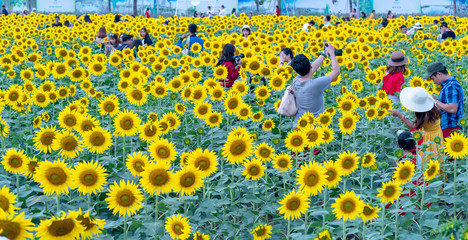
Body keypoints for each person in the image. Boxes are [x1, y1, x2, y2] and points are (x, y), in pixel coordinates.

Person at [290, 43, 340, 128]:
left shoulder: (296, 81)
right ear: (309, 66)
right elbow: (336, 72)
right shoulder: (315, 84)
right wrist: (332, 53)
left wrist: (324, 54)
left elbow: (311, 69)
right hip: (313, 127)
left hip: (299, 124)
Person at [390, 87, 444, 163]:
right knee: (436, 158)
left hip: (429, 139)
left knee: (427, 161)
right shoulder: (432, 105)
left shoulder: (426, 115)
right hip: (437, 134)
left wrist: (400, 116)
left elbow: (415, 127)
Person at [425, 62, 464, 139]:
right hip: (450, 127)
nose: (434, 82)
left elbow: (452, 109)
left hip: (450, 128)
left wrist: (435, 100)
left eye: (433, 78)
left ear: (439, 74)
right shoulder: (449, 85)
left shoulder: (450, 86)